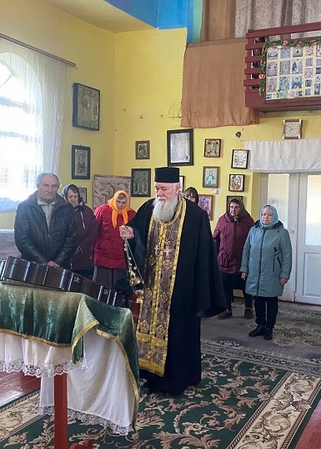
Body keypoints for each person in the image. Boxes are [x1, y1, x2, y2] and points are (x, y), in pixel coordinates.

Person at [119, 167, 225, 396]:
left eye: (164, 189)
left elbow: (205, 256)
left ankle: (178, 380)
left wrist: (200, 290)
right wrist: (130, 235)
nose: (160, 193)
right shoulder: (149, 208)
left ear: (178, 188)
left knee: (178, 334)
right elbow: (137, 234)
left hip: (182, 290)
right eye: (157, 188)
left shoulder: (195, 216)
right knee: (149, 331)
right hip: (152, 288)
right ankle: (151, 377)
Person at [240, 205, 292, 340]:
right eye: (263, 214)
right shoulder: (253, 230)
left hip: (272, 273)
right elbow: (246, 250)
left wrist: (284, 274)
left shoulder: (282, 233)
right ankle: (260, 325)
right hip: (255, 272)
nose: (265, 217)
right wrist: (244, 269)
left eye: (269, 215)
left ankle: (269, 327)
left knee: (271, 300)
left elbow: (287, 255)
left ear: (274, 216)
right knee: (258, 300)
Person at [14, 173, 78, 269]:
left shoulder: (67, 208)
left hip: (60, 266)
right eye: (46, 185)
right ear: (38, 186)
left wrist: (57, 262)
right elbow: (22, 240)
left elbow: (72, 238)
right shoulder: (24, 207)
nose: (50, 190)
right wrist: (44, 262)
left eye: (54, 186)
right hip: (32, 266)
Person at [213, 197, 255, 319]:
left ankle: (248, 308)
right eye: (231, 207)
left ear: (241, 208)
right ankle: (227, 309)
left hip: (242, 260)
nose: (233, 210)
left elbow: (253, 241)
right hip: (225, 260)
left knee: (245, 286)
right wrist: (216, 256)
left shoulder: (248, 221)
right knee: (225, 286)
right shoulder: (222, 220)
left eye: (236, 207)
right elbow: (215, 238)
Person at [92, 190, 136, 290]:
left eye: (123, 203)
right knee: (101, 289)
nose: (120, 205)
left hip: (122, 258)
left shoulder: (131, 214)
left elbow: (135, 234)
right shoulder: (102, 210)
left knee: (119, 289)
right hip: (102, 256)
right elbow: (93, 231)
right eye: (118, 202)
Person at [62, 184, 98, 278]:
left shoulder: (87, 211)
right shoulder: (60, 211)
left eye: (75, 196)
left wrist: (80, 247)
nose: (73, 199)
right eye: (70, 197)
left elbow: (93, 231)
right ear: (65, 197)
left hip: (82, 257)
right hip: (64, 257)